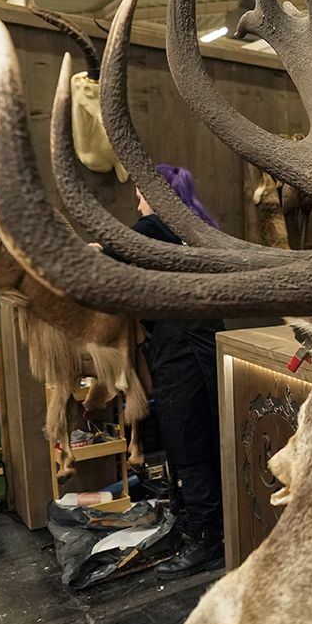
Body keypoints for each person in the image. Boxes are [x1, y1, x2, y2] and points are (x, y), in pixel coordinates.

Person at [131, 165, 227, 576]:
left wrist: (97, 250)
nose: (137, 202)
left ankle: (203, 540)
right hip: (203, 346)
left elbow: (118, 254)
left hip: (181, 351)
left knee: (186, 443)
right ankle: (196, 527)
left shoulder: (153, 226)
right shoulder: (199, 226)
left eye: (140, 193)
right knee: (201, 440)